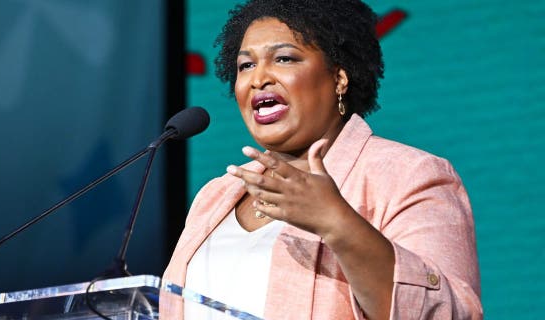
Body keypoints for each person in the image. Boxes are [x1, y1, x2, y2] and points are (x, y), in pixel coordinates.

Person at [162, 0, 482, 319]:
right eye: (245, 65)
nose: (258, 78)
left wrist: (336, 221)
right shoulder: (215, 196)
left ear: (339, 78)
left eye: (284, 59)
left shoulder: (411, 176)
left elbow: (447, 315)